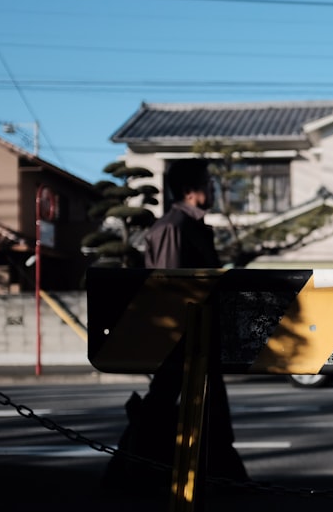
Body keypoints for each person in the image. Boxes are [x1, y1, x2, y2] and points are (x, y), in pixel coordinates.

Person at [106, 158, 249, 493]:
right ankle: (142, 480)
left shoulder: (187, 225)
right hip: (182, 341)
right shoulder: (174, 228)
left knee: (192, 411)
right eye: (208, 183)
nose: (214, 188)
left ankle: (209, 480)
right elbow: (170, 292)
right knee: (171, 411)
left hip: (196, 340)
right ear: (190, 191)